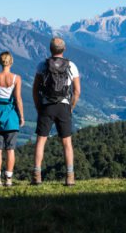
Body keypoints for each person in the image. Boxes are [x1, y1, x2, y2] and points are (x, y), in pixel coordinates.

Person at [32, 37, 81, 186]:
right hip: (64, 105)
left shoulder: (43, 65)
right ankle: (70, 177)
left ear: (50, 49)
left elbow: (35, 89)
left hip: (47, 106)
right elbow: (77, 91)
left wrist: (39, 106)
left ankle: (37, 176)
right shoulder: (71, 66)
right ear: (64, 49)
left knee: (41, 141)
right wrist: (71, 107)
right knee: (67, 143)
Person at [0, 51, 25, 186]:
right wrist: (21, 116)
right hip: (10, 116)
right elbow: (18, 98)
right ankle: (8, 178)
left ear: (0, 62)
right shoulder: (16, 78)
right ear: (11, 62)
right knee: (10, 149)